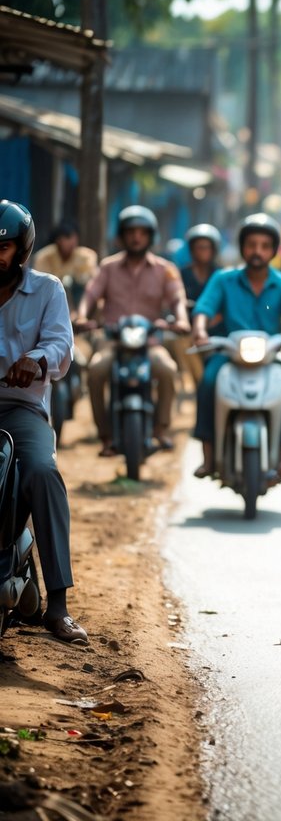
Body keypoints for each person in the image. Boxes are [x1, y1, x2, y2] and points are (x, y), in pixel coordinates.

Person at [0, 201, 87, 644]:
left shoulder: (48, 289)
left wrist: (34, 361)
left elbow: (61, 346)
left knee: (42, 472)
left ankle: (58, 604)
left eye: (5, 246)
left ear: (22, 248)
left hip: (21, 409)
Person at [191, 214, 281, 482]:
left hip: (269, 359)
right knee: (208, 382)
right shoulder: (223, 279)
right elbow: (203, 309)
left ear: (273, 250)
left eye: (265, 245)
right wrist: (199, 331)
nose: (257, 251)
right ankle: (208, 457)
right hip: (229, 356)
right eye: (252, 244)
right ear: (242, 247)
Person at [78, 205, 188, 455]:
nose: (136, 237)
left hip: (149, 343)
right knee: (95, 370)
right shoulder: (108, 267)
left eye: (142, 232)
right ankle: (105, 435)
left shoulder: (165, 269)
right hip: (112, 342)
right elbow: (91, 293)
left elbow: (177, 298)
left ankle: (160, 428)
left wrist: (181, 319)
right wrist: (83, 315)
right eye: (130, 232)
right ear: (122, 235)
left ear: (151, 235)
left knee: (168, 370)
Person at [173, 223, 225, 389]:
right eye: (198, 247)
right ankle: (199, 383)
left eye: (206, 247)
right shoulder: (182, 274)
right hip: (187, 331)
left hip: (217, 332)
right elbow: (175, 300)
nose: (203, 251)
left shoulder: (221, 276)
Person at [32, 220, 98, 295]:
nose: (72, 241)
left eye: (75, 237)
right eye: (68, 237)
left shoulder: (86, 257)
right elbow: (39, 284)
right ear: (58, 240)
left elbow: (93, 282)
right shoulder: (43, 257)